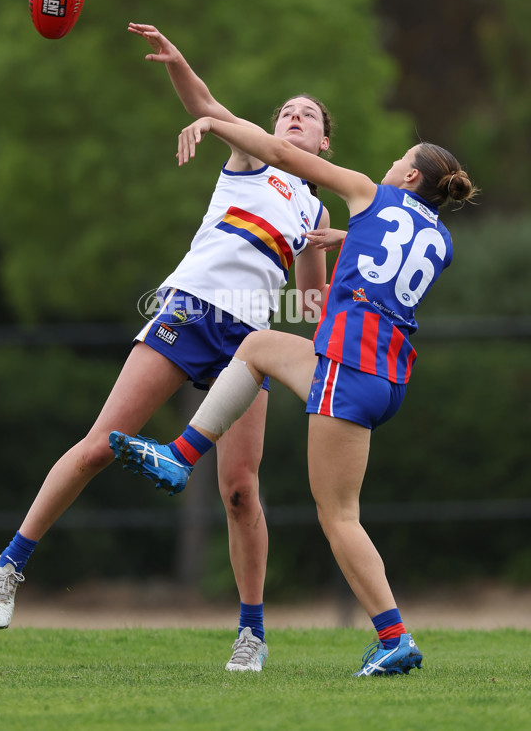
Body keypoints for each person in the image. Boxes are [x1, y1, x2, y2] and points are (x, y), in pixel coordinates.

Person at [0, 23, 343, 673]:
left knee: (239, 490)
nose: (293, 116)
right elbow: (206, 108)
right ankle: (11, 562)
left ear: (323, 142)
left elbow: (314, 310)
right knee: (98, 446)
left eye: (306, 115)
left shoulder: (315, 215)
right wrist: (179, 64)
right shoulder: (257, 155)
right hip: (192, 309)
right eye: (286, 110)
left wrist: (337, 248)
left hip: (250, 343)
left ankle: (251, 634)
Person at [111, 114, 479, 676]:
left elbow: (284, 158)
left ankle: (394, 636)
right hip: (387, 376)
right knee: (258, 347)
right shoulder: (442, 239)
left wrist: (219, 123)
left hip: (347, 364)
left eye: (400, 160)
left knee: (339, 518)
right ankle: (179, 455)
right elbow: (377, 275)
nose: (389, 166)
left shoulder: (370, 193)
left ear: (407, 177)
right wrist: (347, 238)